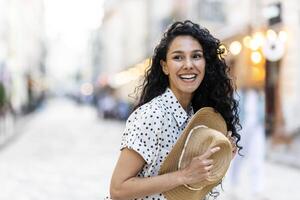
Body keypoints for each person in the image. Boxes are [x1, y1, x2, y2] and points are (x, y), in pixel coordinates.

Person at [107, 20, 241, 200]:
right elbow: (118, 189)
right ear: (164, 66)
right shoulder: (152, 115)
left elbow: (187, 189)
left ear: (205, 63)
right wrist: (184, 174)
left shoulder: (198, 117)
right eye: (178, 57)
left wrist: (218, 162)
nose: (188, 65)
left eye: (196, 56)